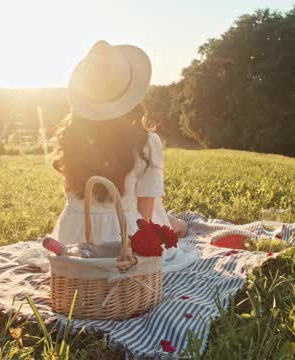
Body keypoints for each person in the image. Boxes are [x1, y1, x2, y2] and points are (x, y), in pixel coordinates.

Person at [50, 40, 194, 269]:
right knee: (171, 222)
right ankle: (177, 224)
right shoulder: (146, 141)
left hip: (73, 235)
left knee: (161, 214)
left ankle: (175, 222)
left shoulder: (72, 136)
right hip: (124, 236)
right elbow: (144, 213)